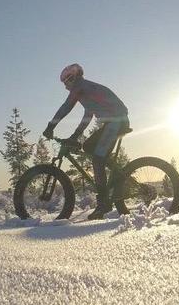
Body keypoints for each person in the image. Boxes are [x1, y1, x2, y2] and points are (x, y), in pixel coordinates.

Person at [42, 63, 131, 220]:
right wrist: (75, 136)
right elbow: (87, 116)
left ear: (72, 78)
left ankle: (103, 204)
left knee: (97, 159)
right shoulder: (86, 91)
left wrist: (51, 126)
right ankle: (120, 175)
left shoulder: (81, 87)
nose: (65, 86)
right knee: (88, 146)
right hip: (116, 121)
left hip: (117, 122)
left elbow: (66, 107)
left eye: (66, 82)